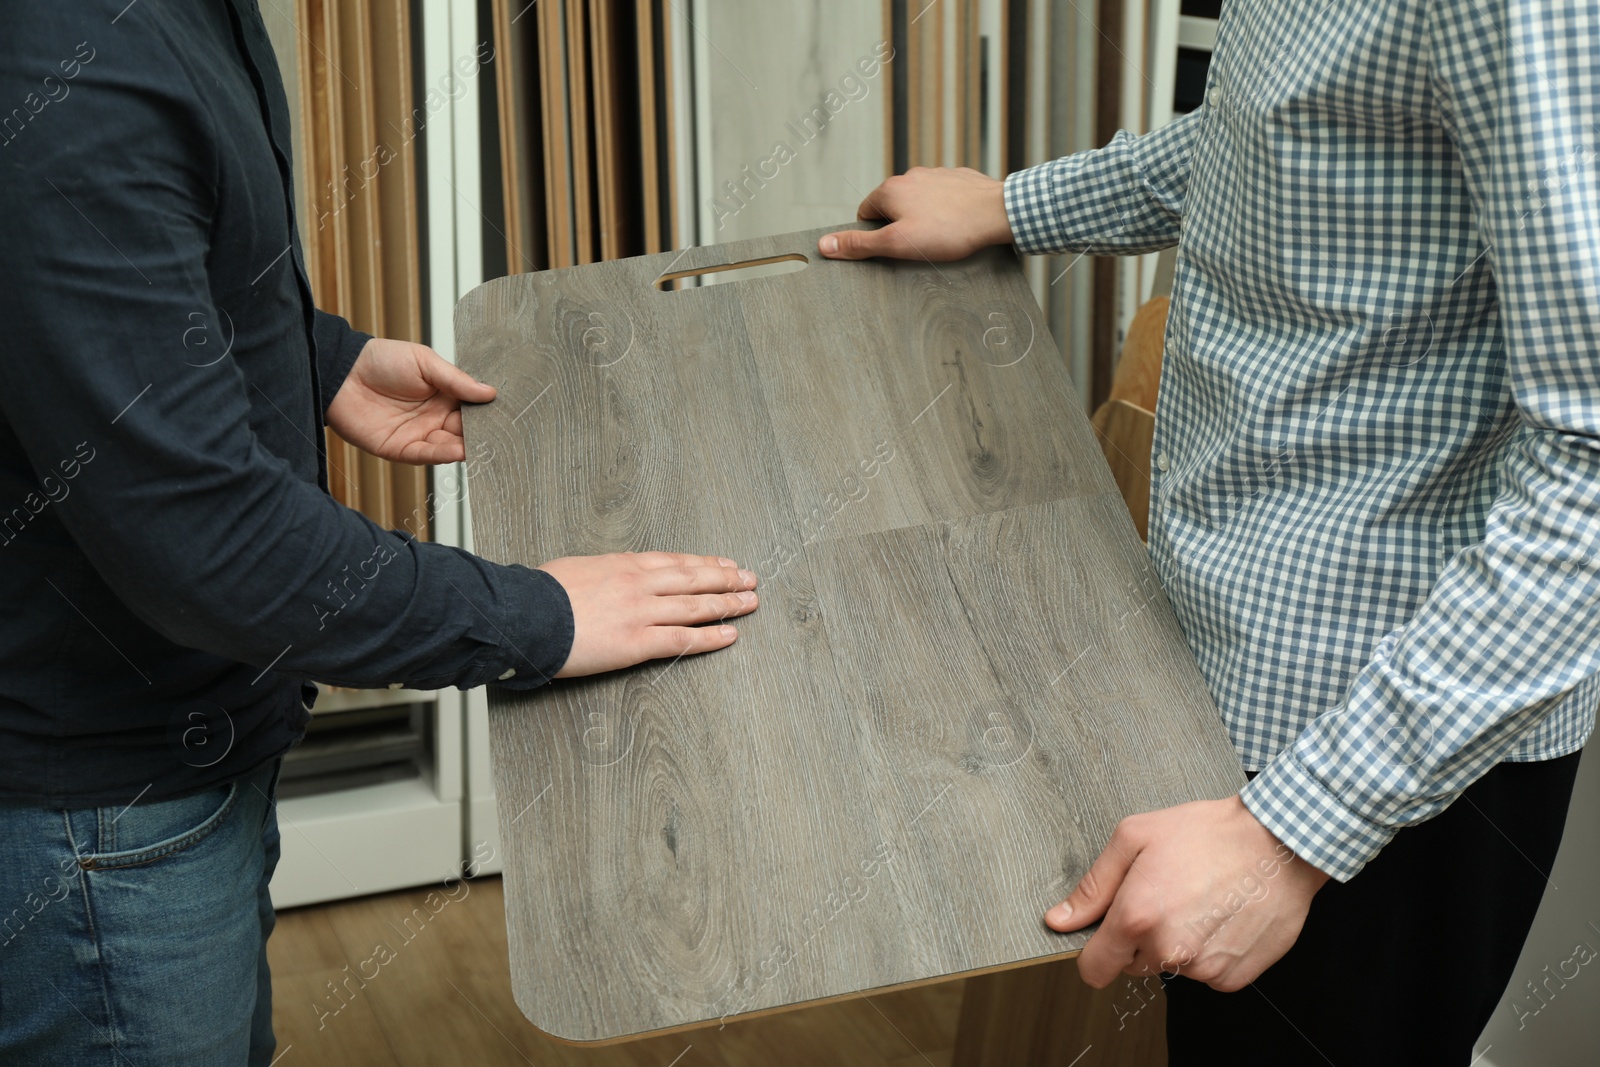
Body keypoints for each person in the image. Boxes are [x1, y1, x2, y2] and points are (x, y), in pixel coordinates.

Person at [822, 1, 1594, 1063]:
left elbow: (1588, 471)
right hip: (1234, 678)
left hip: (1386, 751)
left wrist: (1295, 830)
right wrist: (1020, 202)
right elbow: (1295, 135)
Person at [0, 2, 757, 1063]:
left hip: (164, 768)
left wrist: (319, 358)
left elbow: (110, 292)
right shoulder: (68, 65)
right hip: (94, 830)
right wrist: (534, 614)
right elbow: (212, 546)